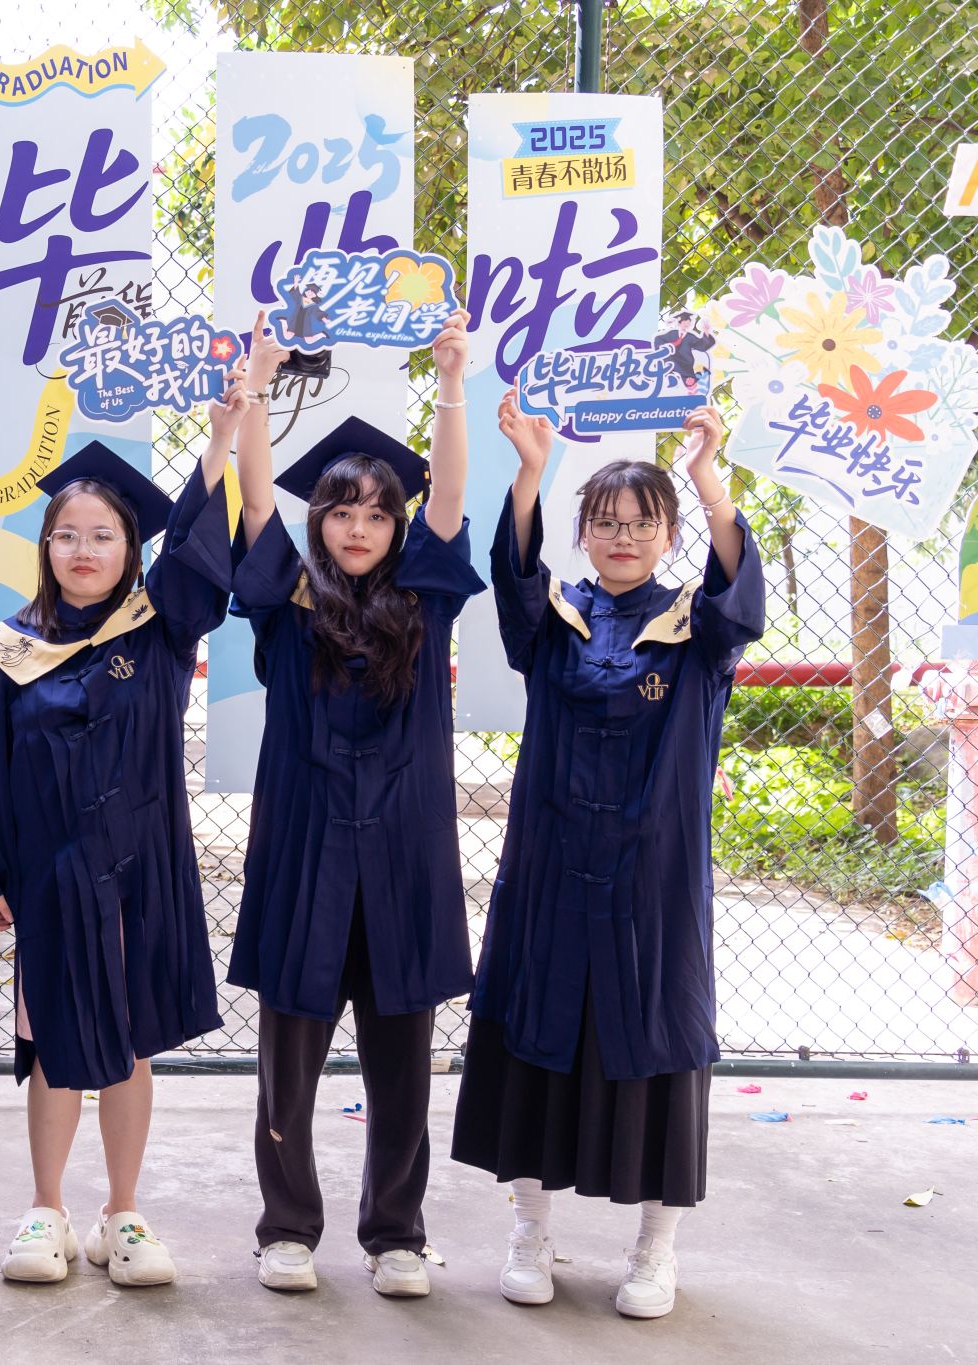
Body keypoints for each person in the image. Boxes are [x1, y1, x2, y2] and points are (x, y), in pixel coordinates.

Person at [453, 396, 763, 1321]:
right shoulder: (556, 620)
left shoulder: (698, 628)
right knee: (535, 1026)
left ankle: (655, 1248)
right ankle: (530, 1228)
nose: (623, 537)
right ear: (584, 532)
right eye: (606, 522)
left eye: (642, 522)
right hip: (552, 865)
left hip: (652, 877)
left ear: (668, 534)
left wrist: (707, 477)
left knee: (659, 1035)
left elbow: (740, 592)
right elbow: (512, 575)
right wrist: (531, 472)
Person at [227, 310, 484, 1299]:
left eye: (377, 513)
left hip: (403, 858)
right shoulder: (287, 603)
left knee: (402, 1061)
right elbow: (254, 497)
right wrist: (256, 383)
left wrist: (450, 382)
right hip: (305, 854)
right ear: (319, 522)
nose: (358, 527)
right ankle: (286, 1227)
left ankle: (396, 1234)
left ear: (397, 525)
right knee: (287, 1057)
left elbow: (450, 494)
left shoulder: (424, 600)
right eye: (341, 511)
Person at [0, 381, 244, 1287]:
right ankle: (45, 1208)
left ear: (131, 551)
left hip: (140, 874)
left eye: (104, 535)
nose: (84, 550)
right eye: (67, 535)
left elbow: (198, 554)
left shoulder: (158, 629)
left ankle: (122, 1210)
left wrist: (220, 440)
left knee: (129, 1045)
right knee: (52, 1041)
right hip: (49, 876)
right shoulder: (6, 650)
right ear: (45, 547)